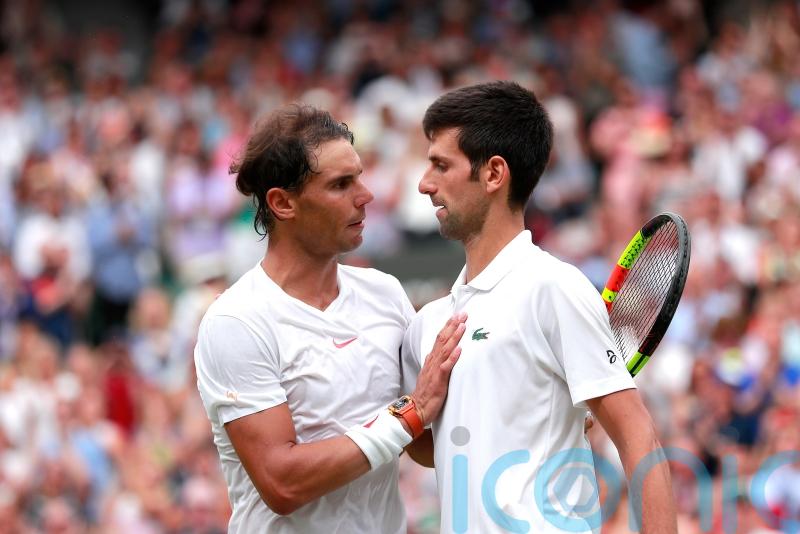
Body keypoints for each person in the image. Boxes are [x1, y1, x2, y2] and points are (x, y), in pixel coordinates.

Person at [401, 81, 678, 533]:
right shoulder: (429, 323)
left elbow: (638, 437)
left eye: (440, 165)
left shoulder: (553, 288)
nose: (424, 183)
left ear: (493, 174)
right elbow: (436, 448)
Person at [193, 104, 465, 533]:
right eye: (341, 184)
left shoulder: (385, 293)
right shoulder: (236, 321)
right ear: (283, 203)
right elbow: (282, 482)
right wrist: (411, 412)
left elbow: (425, 446)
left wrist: (533, 412)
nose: (366, 195)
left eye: (359, 175)